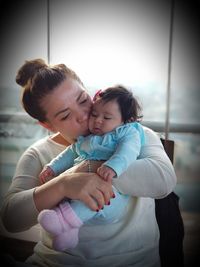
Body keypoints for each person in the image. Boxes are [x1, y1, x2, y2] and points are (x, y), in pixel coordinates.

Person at [0, 58, 181, 267]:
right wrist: (62, 185)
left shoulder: (133, 135)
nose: (84, 115)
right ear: (47, 125)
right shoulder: (40, 153)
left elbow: (164, 180)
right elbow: (11, 218)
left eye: (83, 100)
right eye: (66, 115)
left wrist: (93, 167)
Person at [38, 86, 145, 251]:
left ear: (125, 120)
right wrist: (53, 166)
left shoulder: (127, 133)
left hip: (110, 196)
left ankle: (62, 221)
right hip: (82, 189)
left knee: (93, 199)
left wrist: (112, 166)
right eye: (94, 114)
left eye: (107, 117)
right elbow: (70, 152)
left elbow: (128, 151)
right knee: (69, 198)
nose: (97, 120)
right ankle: (68, 234)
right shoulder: (89, 138)